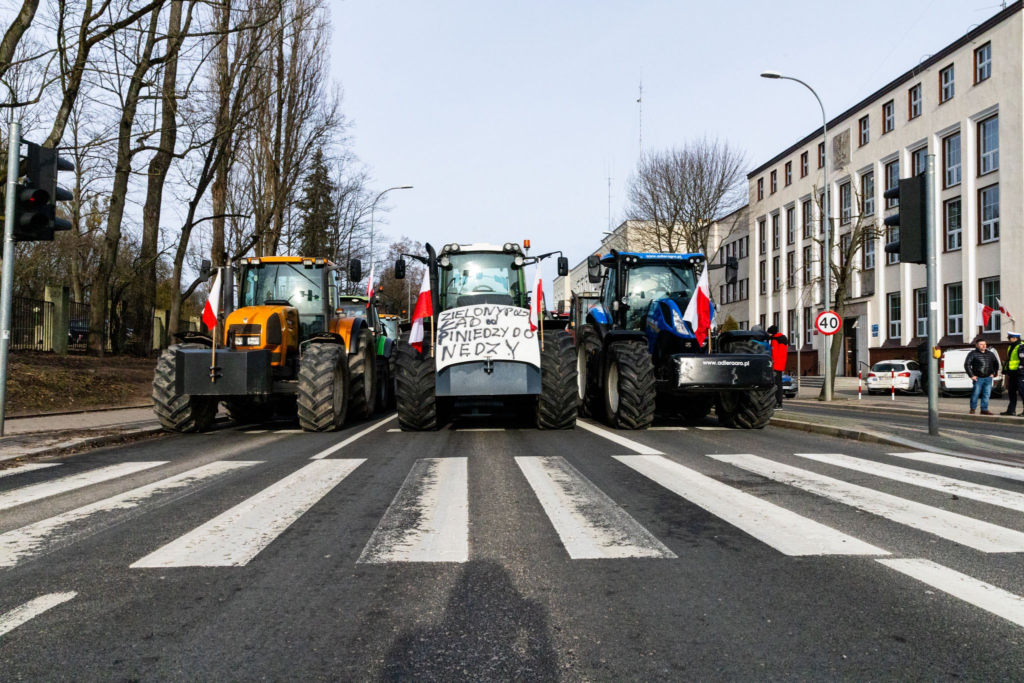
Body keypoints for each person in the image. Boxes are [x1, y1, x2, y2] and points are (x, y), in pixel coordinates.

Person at [965, 338, 1001, 415]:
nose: (984, 346)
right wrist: (972, 375)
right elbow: (967, 365)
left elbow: (996, 364)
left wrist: (993, 373)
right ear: (977, 345)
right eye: (981, 344)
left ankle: (984, 409)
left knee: (986, 394)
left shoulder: (990, 354)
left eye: (985, 344)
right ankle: (973, 409)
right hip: (978, 378)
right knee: (976, 393)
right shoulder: (973, 353)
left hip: (988, 378)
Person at [766, 325, 789, 410]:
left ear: (772, 333)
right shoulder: (782, 339)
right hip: (781, 364)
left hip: (775, 365)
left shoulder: (775, 340)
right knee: (779, 384)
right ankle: (779, 402)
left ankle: (777, 403)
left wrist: (771, 364)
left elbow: (774, 354)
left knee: (776, 385)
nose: (768, 334)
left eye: (769, 333)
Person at [1001, 331, 1022, 416]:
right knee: (1011, 392)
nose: (1008, 339)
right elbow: (1009, 360)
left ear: (1015, 338)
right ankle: (1011, 410)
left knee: (1022, 392)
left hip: (1020, 373)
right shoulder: (1011, 346)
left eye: (1009, 338)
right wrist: (1005, 369)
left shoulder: (1021, 346)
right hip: (1012, 373)